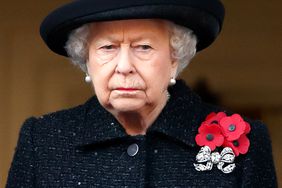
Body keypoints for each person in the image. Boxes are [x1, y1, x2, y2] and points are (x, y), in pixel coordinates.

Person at [6, 0, 277, 187]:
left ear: (175, 58)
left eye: (144, 47)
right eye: (107, 48)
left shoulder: (248, 145)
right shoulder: (42, 141)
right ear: (86, 60)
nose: (124, 67)